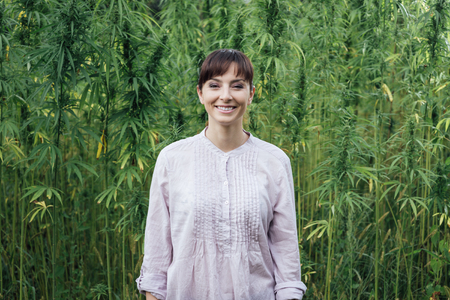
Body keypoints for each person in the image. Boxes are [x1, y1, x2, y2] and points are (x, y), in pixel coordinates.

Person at [136, 49, 307, 300]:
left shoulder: (274, 162)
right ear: (200, 93)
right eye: (214, 85)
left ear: (251, 94)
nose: (225, 96)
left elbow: (286, 254)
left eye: (237, 86)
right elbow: (156, 258)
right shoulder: (172, 159)